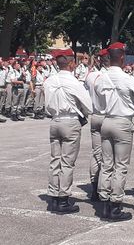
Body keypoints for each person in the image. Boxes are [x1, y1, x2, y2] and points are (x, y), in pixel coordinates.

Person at [95, 42, 134, 221]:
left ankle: (103, 203)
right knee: (120, 166)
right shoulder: (127, 79)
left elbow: (98, 103)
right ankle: (115, 205)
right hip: (122, 122)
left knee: (106, 164)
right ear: (122, 58)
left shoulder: (101, 78)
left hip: (107, 120)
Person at [44, 49, 92, 214]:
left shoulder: (49, 81)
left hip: (55, 120)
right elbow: (89, 105)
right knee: (67, 162)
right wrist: (83, 113)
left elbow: (47, 105)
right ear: (71, 63)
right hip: (70, 121)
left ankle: (53, 196)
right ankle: (63, 198)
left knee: (54, 160)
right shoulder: (74, 82)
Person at [84, 48, 109, 202]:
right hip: (107, 116)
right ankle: (104, 189)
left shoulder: (91, 76)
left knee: (96, 153)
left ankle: (94, 188)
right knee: (109, 155)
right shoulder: (109, 76)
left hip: (95, 115)